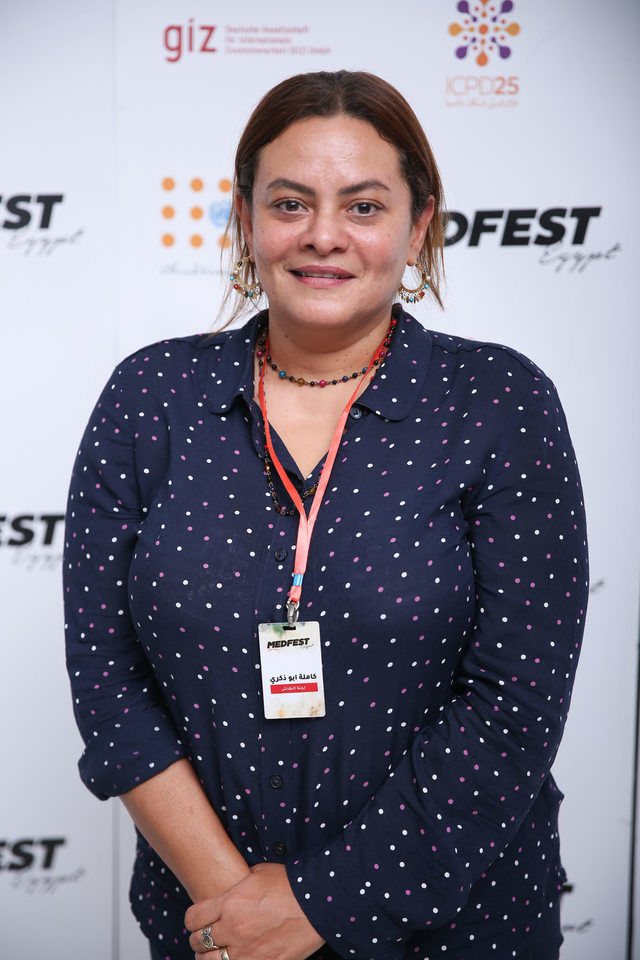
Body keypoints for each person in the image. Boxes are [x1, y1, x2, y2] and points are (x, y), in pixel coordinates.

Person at [63, 70, 588, 960]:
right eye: (291, 203)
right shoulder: (150, 397)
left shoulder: (499, 402)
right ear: (245, 219)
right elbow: (108, 681)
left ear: (419, 226)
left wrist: (316, 904)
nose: (323, 236)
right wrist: (236, 908)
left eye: (364, 206)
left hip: (455, 925)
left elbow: (517, 703)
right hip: (213, 926)